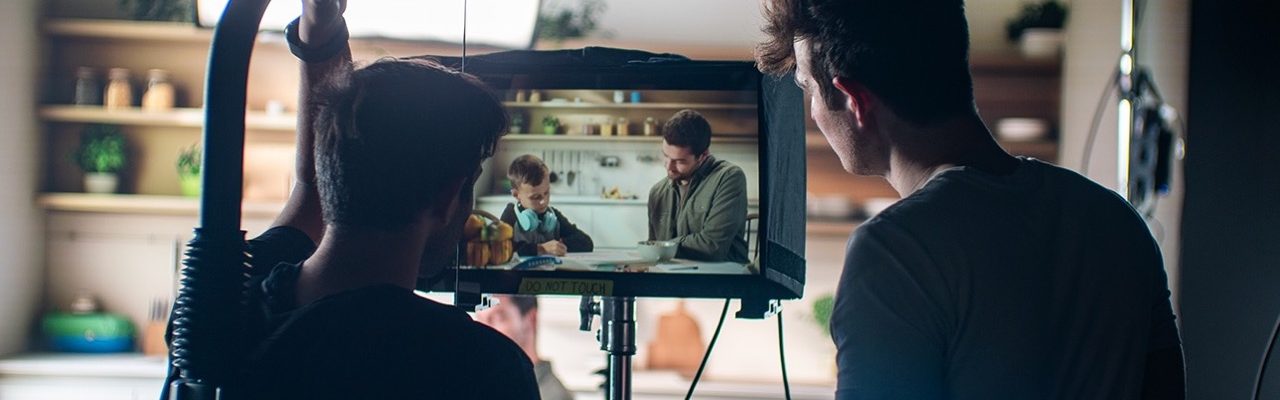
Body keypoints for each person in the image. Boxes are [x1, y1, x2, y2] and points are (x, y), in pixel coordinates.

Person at [754, 0, 1184, 399]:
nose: (812, 111)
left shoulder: (896, 253)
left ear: (856, 101)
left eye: (808, 88)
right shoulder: (1118, 223)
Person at [162, 1, 539, 398]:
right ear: (447, 199)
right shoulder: (479, 366)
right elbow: (311, 189)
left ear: (334, 173)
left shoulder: (216, 314)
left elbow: (309, 191)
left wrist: (319, 27)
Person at [647, 109, 750, 264]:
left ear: (703, 156)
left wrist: (666, 246)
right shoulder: (657, 192)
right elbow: (654, 250)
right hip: (674, 277)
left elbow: (713, 246)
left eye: (680, 161)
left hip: (722, 276)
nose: (669, 166)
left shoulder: (729, 177)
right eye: (666, 156)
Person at [476, 295, 575, 400]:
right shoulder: (497, 386)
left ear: (531, 319)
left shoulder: (552, 395)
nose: (484, 330)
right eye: (480, 321)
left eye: (497, 318)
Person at [501, 154, 594, 257]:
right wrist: (542, 248)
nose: (543, 202)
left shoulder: (552, 215)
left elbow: (586, 242)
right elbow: (501, 247)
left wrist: (560, 245)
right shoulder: (510, 214)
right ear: (516, 195)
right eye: (535, 197)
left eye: (546, 193)